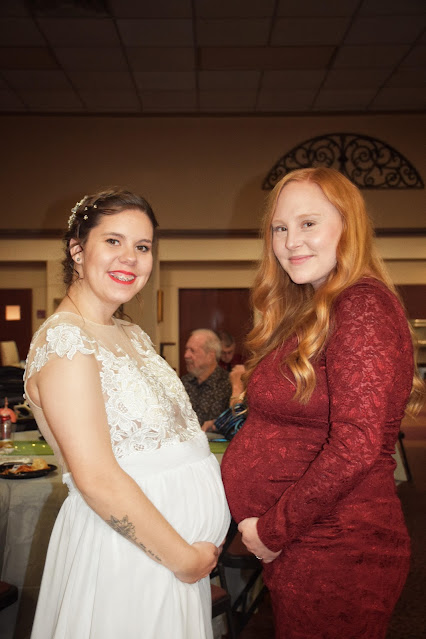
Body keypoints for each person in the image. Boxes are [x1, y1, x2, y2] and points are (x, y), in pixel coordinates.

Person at [220, 167, 425, 639]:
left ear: (348, 226)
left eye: (308, 223)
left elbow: (357, 446)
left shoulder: (362, 304)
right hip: (309, 541)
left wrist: (272, 531)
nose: (291, 241)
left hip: (337, 546)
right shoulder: (315, 308)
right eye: (280, 228)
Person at [24, 189, 230, 639]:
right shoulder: (66, 342)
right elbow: (96, 478)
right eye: (113, 241)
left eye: (143, 246)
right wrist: (184, 559)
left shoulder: (129, 333)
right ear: (78, 251)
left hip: (165, 561)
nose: (131, 258)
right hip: (128, 559)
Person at [181, 329, 231, 428]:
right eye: (186, 349)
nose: (186, 355)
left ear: (210, 355)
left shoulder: (228, 384)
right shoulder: (183, 382)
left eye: (192, 350)